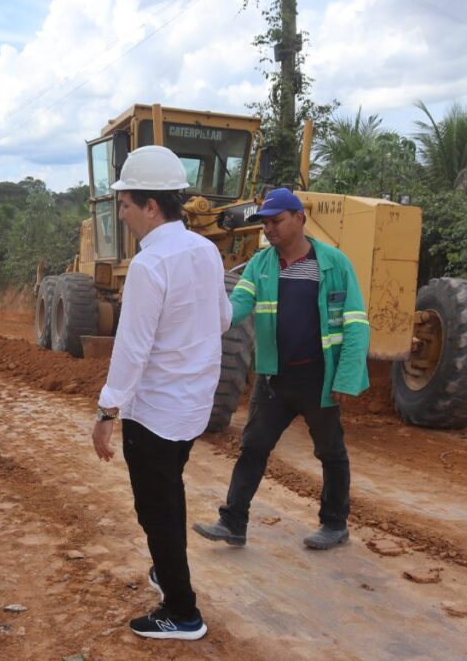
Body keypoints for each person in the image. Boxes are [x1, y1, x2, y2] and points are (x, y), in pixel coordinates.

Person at [91, 145, 231, 640]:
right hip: (192, 405)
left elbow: (131, 350)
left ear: (151, 205)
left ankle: (181, 610)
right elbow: (222, 319)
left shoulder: (150, 267)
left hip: (155, 413)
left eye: (125, 203)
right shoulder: (205, 251)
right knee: (168, 493)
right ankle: (167, 569)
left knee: (157, 508)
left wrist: (107, 412)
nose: (122, 212)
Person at [193, 187, 369, 550]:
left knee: (330, 452)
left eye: (276, 221)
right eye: (265, 223)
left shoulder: (334, 264)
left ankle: (335, 525)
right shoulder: (261, 264)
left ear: (299, 218)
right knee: (253, 447)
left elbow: (355, 322)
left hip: (319, 377)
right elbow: (238, 304)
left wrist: (347, 377)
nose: (269, 229)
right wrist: (207, 319)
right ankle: (233, 522)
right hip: (274, 378)